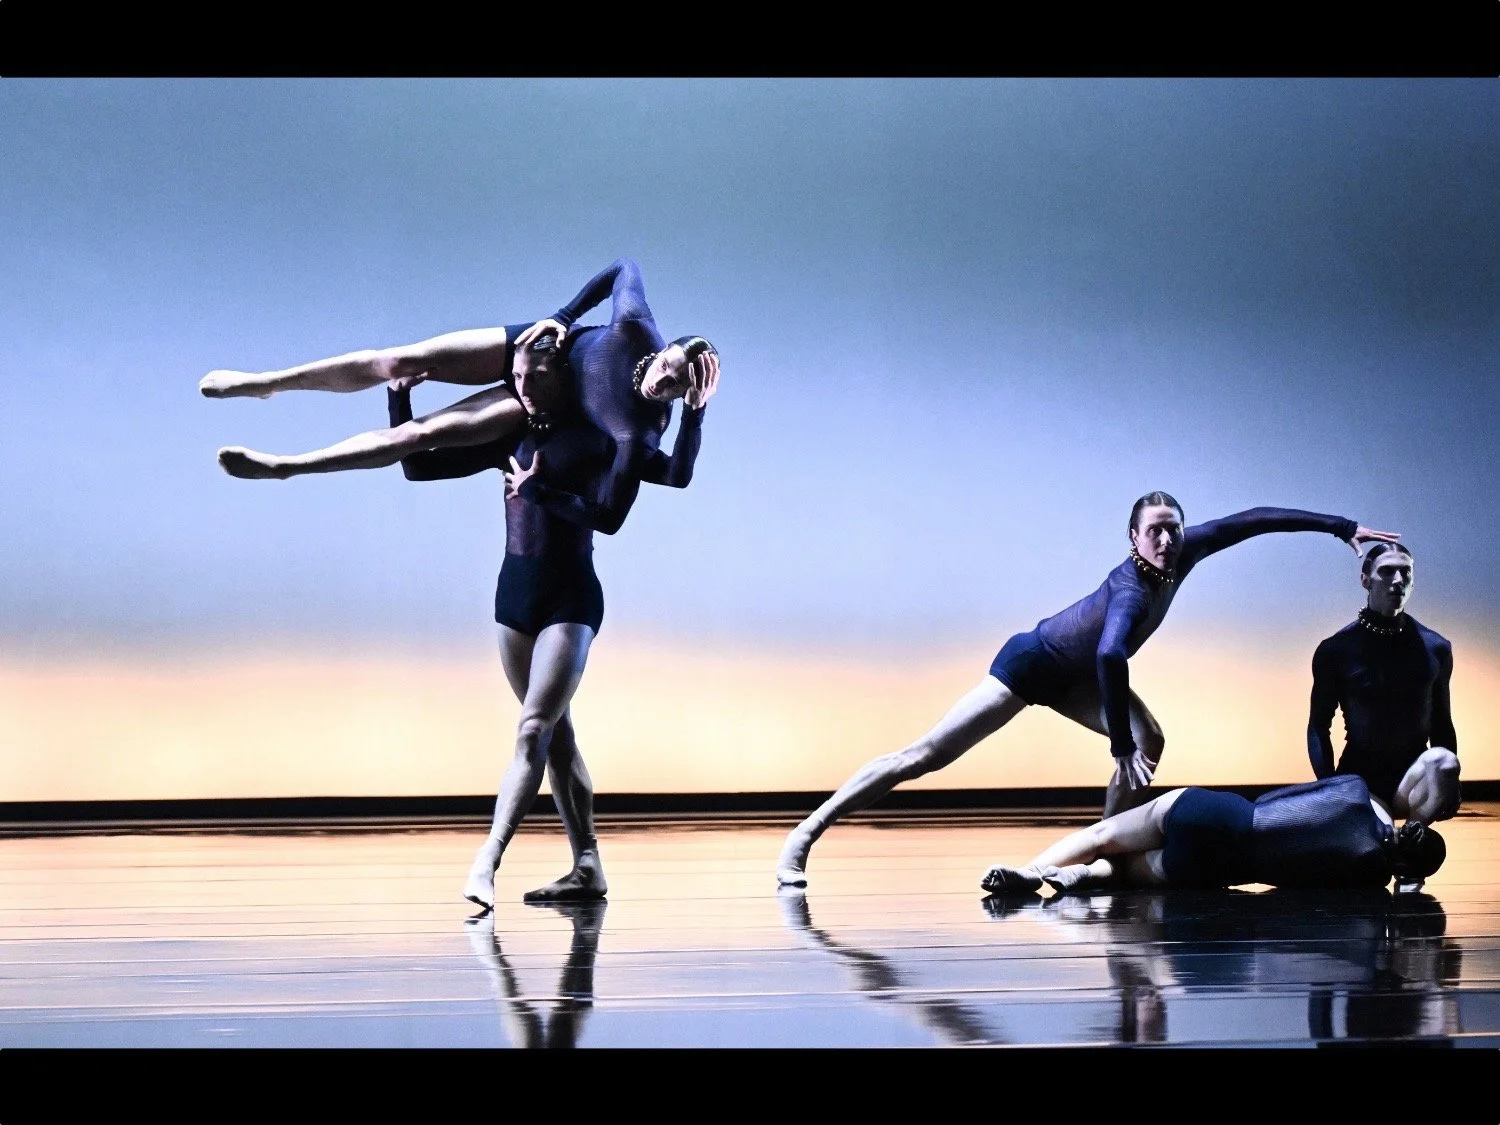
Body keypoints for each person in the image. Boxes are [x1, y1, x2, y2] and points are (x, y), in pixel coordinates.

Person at [775, 493, 1398, 886]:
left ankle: (1103, 856)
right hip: (1034, 663)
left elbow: (1254, 520)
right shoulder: (1128, 587)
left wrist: (1340, 527)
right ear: (1132, 539)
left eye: (1173, 529)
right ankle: (806, 835)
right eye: (1153, 531)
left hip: (1084, 673)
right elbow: (1109, 654)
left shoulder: (1185, 551)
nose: (1165, 539)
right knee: (924, 756)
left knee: (1151, 738)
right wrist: (1117, 744)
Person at [387, 332, 710, 909]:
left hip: (571, 598)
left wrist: (694, 415)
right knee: (557, 740)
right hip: (515, 597)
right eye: (516, 378)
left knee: (533, 729)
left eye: (536, 377)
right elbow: (415, 468)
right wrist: (398, 397)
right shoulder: (508, 432)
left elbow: (673, 477)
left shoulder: (604, 434)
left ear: (561, 372)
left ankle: (487, 861)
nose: (524, 388)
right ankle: (588, 865)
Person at [205, 257, 720, 538]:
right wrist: (564, 317)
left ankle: (285, 466)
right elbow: (623, 267)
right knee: (400, 360)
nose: (660, 381)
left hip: (538, 404)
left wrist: (695, 418)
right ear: (662, 349)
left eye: (674, 385)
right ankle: (266, 383)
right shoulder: (635, 327)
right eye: (665, 367)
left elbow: (671, 479)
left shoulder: (641, 428)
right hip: (534, 351)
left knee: (419, 435)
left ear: (685, 392)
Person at [978, 773, 1447, 896]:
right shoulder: (1370, 875)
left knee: (1104, 832)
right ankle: (1087, 879)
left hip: (1226, 813)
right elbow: (1303, 883)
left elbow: (1281, 798)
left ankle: (1034, 869)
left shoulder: (1356, 788)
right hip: (1233, 866)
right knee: (1127, 874)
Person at [1309, 542, 1460, 828]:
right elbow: (1318, 725)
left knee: (1445, 762)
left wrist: (1452, 786)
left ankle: (1414, 836)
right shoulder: (1336, 650)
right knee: (1384, 837)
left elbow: (1442, 721)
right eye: (1387, 571)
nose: (1398, 580)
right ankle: (1393, 840)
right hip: (1363, 782)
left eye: (1406, 572)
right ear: (1365, 580)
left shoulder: (1436, 648)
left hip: (1413, 779)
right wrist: (1328, 787)